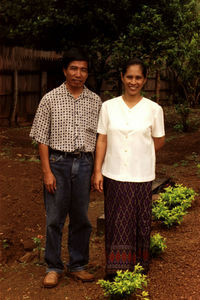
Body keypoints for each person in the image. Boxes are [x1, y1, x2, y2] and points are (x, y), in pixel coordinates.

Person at [30, 48, 102, 288]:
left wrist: (95, 171)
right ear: (64, 70)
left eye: (83, 69)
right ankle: (53, 266)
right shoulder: (50, 99)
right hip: (57, 164)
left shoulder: (95, 101)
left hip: (84, 163)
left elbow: (100, 139)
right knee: (54, 218)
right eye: (73, 68)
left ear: (87, 73)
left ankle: (78, 265)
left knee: (82, 218)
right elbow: (42, 138)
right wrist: (47, 172)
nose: (78, 74)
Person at [94, 58, 165, 279]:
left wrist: (140, 153)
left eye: (138, 77)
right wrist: (98, 170)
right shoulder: (108, 107)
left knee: (140, 222)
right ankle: (116, 270)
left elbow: (159, 140)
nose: (133, 81)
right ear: (122, 78)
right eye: (129, 77)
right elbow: (102, 139)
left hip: (141, 175)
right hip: (113, 173)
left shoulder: (154, 109)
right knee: (116, 222)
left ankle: (138, 267)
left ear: (144, 80)